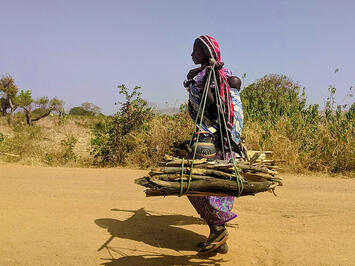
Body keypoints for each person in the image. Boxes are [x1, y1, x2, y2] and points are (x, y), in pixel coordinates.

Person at [184, 35, 244, 254]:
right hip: (228, 141)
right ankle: (218, 236)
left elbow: (212, 104)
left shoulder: (207, 76)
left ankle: (218, 231)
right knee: (218, 186)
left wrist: (211, 134)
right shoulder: (221, 74)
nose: (192, 55)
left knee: (196, 184)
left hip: (215, 141)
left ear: (207, 54)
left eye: (195, 52)